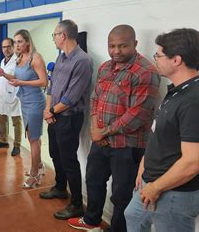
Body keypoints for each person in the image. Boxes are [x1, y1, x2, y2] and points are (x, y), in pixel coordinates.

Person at [67, 25, 160, 231]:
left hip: (128, 145)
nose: (116, 51)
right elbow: (95, 98)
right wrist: (94, 127)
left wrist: (105, 131)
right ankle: (92, 221)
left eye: (122, 46)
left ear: (134, 44)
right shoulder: (105, 68)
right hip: (100, 141)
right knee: (93, 180)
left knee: (122, 193)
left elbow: (137, 115)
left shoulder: (145, 72)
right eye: (112, 46)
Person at [124, 28, 199, 232]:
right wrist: (145, 164)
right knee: (133, 216)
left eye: (159, 55)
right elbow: (161, 133)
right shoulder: (179, 90)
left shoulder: (196, 100)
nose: (156, 60)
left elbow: (193, 162)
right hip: (153, 180)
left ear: (176, 60)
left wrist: (156, 187)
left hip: (176, 191)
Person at [40, 20, 93, 220]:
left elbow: (71, 97)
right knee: (55, 153)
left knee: (69, 159)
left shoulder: (83, 61)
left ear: (63, 35)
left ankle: (77, 203)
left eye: (54, 35)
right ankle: (61, 187)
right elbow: (52, 87)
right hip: (54, 115)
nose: (53, 38)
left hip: (68, 118)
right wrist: (48, 110)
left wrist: (52, 111)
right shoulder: (61, 57)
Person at [7, 30, 47, 187]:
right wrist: (4, 75)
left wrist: (21, 83)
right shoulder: (20, 58)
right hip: (24, 101)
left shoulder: (35, 58)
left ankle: (35, 175)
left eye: (19, 42)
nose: (16, 45)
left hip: (35, 102)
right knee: (33, 137)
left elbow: (44, 82)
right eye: (15, 42)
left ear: (27, 42)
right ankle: (39, 165)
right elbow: (18, 79)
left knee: (33, 139)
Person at [0, 38, 23, 157]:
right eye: (4, 47)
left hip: (14, 95)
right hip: (2, 95)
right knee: (2, 118)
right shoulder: (2, 61)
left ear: (13, 46)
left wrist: (4, 74)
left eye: (8, 46)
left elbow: (17, 77)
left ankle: (17, 145)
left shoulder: (18, 60)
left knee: (16, 121)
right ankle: (3, 140)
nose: (6, 49)